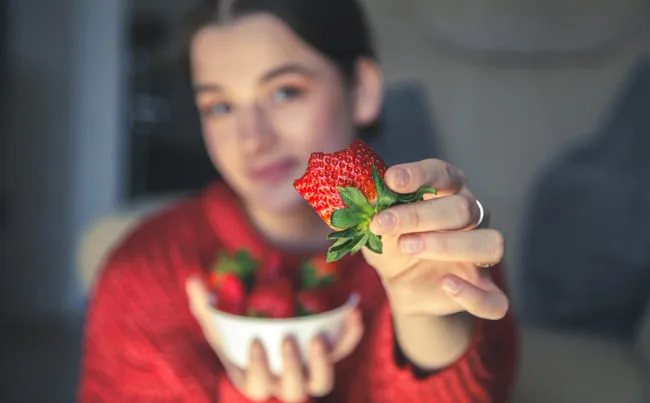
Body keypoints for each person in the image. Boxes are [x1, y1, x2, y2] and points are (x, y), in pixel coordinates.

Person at [78, 0, 518, 402]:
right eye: (219, 107)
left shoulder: (442, 244)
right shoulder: (141, 272)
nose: (252, 139)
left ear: (362, 89)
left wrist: (430, 325)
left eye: (284, 92)